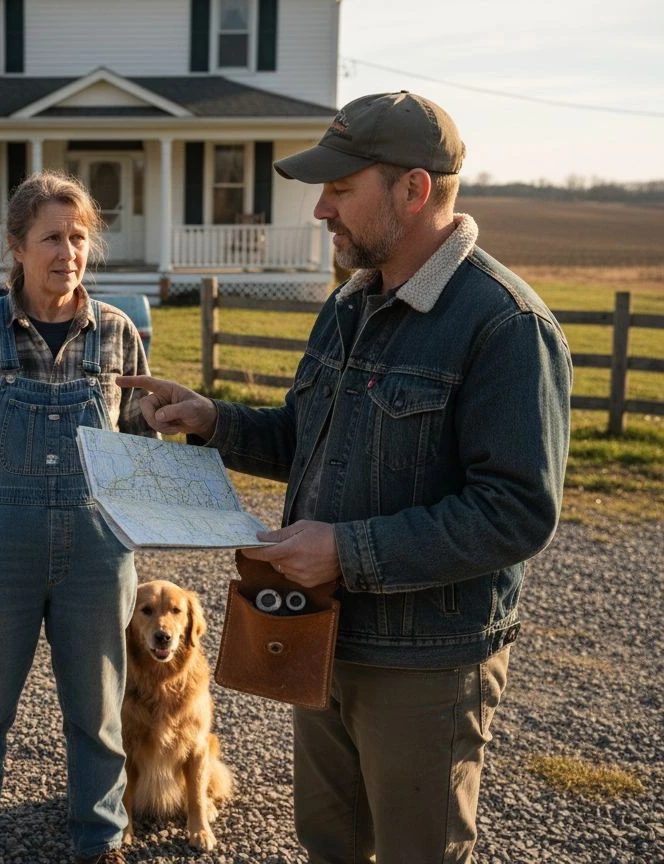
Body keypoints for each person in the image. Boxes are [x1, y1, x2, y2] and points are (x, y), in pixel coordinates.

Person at [119, 91, 573, 864]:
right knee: (329, 843)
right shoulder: (350, 304)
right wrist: (214, 420)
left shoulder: (504, 326)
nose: (322, 210)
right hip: (319, 638)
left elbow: (516, 512)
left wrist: (347, 550)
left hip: (426, 660)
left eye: (340, 188)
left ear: (413, 190)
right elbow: (306, 436)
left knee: (414, 851)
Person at [0, 170, 154, 864]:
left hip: (97, 556)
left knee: (99, 714)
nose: (68, 253)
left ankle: (99, 840)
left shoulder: (114, 333)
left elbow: (141, 448)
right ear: (17, 246)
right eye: (52, 237)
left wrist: (132, 525)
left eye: (79, 238)